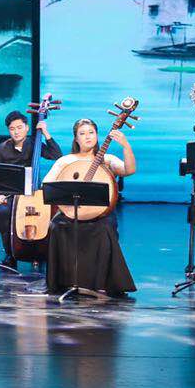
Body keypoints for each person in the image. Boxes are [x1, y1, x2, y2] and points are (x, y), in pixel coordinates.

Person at [43, 118, 137, 297]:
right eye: (82, 133)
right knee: (55, 226)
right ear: (76, 139)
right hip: (71, 213)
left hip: (100, 215)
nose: (87, 137)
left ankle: (100, 283)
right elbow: (47, 183)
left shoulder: (107, 159)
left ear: (97, 135)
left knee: (104, 228)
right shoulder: (66, 160)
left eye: (91, 132)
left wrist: (126, 146)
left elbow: (129, 170)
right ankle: (63, 281)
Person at [0, 110, 62, 264]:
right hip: (11, 194)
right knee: (3, 211)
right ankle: (11, 254)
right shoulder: (1, 149)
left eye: (19, 127)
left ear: (27, 128)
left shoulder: (34, 144)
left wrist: (45, 133)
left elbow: (56, 155)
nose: (16, 132)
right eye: (12, 129)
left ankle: (41, 251)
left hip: (33, 193)